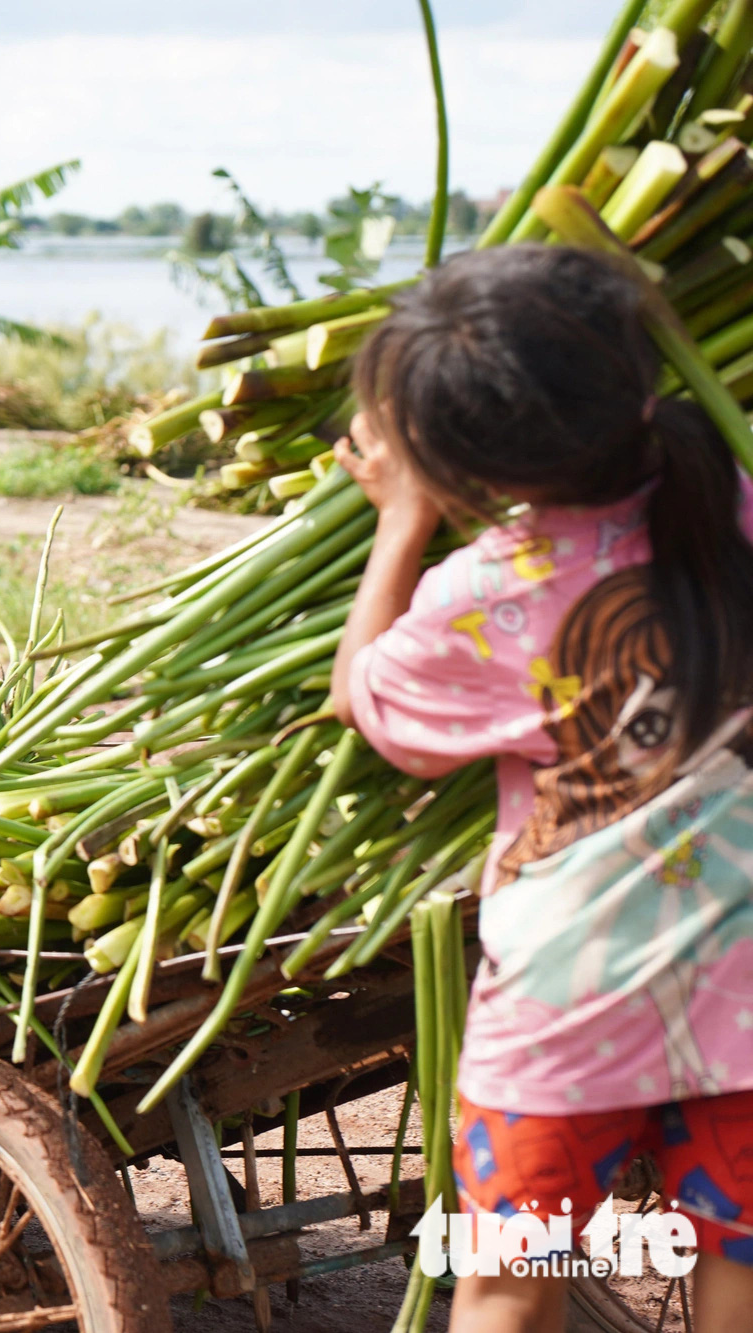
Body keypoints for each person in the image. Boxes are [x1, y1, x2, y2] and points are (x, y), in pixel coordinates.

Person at [330, 244, 753, 1332]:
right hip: (745, 994)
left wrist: (398, 518)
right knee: (739, 1276)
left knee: (504, 1286)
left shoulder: (486, 590)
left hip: (568, 1007)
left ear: (474, 470)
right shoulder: (735, 503)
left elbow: (367, 701)